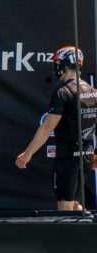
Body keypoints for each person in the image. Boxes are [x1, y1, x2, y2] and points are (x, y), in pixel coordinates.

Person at [16, 46, 97, 211]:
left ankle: (71, 236)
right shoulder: (93, 91)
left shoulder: (63, 92)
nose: (56, 68)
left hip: (68, 157)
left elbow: (47, 127)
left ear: (65, 65)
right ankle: (82, 236)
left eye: (57, 64)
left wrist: (28, 153)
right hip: (87, 155)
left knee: (66, 207)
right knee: (76, 204)